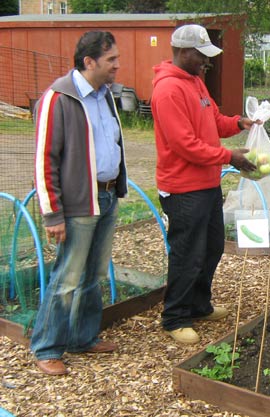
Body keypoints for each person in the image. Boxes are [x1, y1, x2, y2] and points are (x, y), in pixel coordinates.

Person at [151, 24, 258, 344]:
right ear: (183, 52)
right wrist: (230, 157)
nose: (205, 63)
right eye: (201, 56)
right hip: (183, 187)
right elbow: (184, 144)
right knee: (187, 253)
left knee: (211, 247)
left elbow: (212, 121)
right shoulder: (168, 90)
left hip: (206, 184)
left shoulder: (195, 82)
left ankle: (199, 304)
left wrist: (238, 122)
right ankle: (175, 316)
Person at [31, 31, 128, 376]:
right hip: (76, 205)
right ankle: (47, 347)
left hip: (105, 196)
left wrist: (116, 186)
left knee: (94, 274)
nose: (118, 65)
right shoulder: (58, 98)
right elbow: (45, 160)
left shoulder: (105, 96)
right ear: (89, 62)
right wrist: (52, 214)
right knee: (67, 278)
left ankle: (83, 337)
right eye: (111, 59)